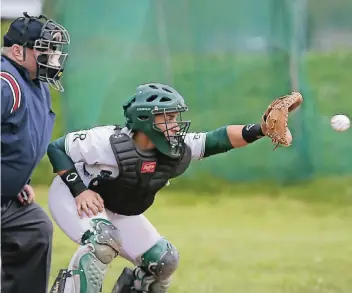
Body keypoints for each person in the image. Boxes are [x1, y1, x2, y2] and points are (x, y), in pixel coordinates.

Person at [47, 83, 301, 293]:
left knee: (163, 261)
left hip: (118, 208)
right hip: (75, 197)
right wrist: (80, 190)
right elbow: (57, 148)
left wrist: (261, 129)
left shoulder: (175, 148)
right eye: (167, 117)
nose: (176, 124)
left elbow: (218, 139)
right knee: (103, 242)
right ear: (145, 119)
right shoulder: (107, 142)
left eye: (175, 117)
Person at [1, 12, 70, 293]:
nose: (53, 55)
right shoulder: (6, 83)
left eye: (55, 49)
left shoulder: (34, 81)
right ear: (18, 51)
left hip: (6, 198)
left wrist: (17, 182)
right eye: (45, 48)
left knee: (35, 229)